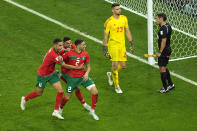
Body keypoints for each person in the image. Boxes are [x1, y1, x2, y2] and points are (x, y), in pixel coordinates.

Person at [20, 38, 83, 120]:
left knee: (60, 91)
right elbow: (63, 65)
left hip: (52, 74)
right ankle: (24, 99)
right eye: (60, 45)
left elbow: (63, 50)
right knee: (39, 93)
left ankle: (55, 111)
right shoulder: (53, 55)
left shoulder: (55, 49)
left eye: (61, 45)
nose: (61, 47)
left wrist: (66, 49)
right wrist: (77, 67)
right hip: (42, 75)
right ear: (55, 45)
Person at [60, 39, 99, 120]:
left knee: (95, 92)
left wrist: (87, 73)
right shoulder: (69, 54)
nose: (85, 46)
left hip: (83, 76)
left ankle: (92, 111)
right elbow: (61, 62)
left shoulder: (86, 54)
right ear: (78, 45)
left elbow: (88, 66)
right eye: (84, 44)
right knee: (67, 97)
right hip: (72, 78)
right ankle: (60, 109)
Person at [103, 3, 134, 93]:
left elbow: (127, 31)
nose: (119, 10)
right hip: (113, 46)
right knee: (115, 65)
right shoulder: (109, 21)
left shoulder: (124, 18)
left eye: (119, 9)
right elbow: (105, 36)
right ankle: (117, 86)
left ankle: (111, 74)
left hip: (122, 46)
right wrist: (104, 48)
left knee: (123, 65)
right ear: (113, 10)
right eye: (117, 9)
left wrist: (131, 43)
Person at [59, 37, 91, 111]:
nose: (70, 45)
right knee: (71, 92)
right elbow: (58, 59)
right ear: (63, 44)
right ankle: (59, 109)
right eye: (67, 43)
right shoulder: (60, 50)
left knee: (77, 88)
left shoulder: (73, 47)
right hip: (67, 72)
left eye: (70, 43)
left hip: (73, 71)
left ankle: (85, 105)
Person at [155, 13, 175, 93]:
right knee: (164, 67)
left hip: (164, 51)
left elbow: (164, 40)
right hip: (167, 49)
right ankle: (170, 84)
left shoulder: (162, 29)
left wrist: (160, 52)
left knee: (161, 68)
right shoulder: (168, 26)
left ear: (161, 18)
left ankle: (165, 87)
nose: (155, 20)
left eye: (156, 18)